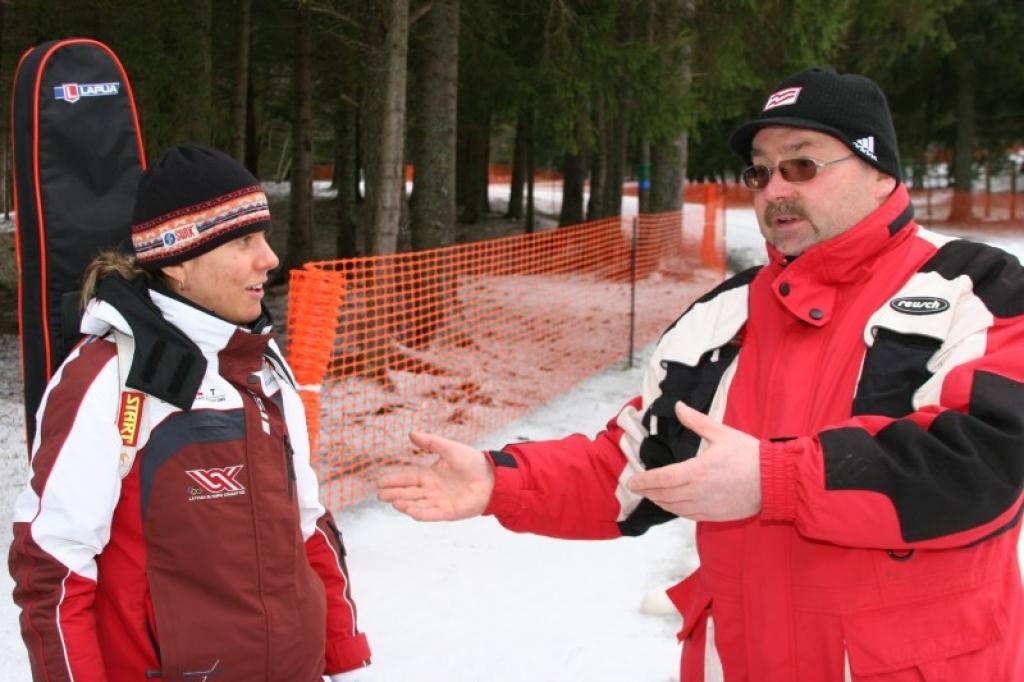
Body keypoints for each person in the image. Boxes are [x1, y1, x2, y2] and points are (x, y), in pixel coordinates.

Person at [378, 67, 1024, 680]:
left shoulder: (975, 287)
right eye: (762, 172)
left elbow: (987, 465)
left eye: (802, 164)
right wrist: (500, 482)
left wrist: (775, 481)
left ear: (881, 172)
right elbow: (635, 466)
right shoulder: (723, 312)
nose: (776, 188)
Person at [9, 144, 373, 681]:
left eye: (265, 237)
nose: (269, 258)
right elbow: (53, 570)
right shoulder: (110, 376)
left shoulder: (263, 365)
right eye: (244, 241)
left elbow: (308, 525)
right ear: (178, 259)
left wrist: (342, 656)